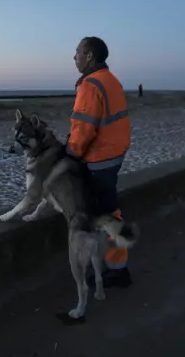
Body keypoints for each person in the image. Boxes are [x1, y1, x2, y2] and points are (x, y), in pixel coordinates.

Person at [67, 36, 133, 288]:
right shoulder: (110, 80)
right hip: (114, 154)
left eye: (78, 52)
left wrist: (71, 154)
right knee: (109, 209)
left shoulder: (90, 84)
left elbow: (84, 128)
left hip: (100, 158)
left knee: (106, 213)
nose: (75, 57)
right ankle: (116, 264)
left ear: (90, 56)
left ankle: (118, 270)